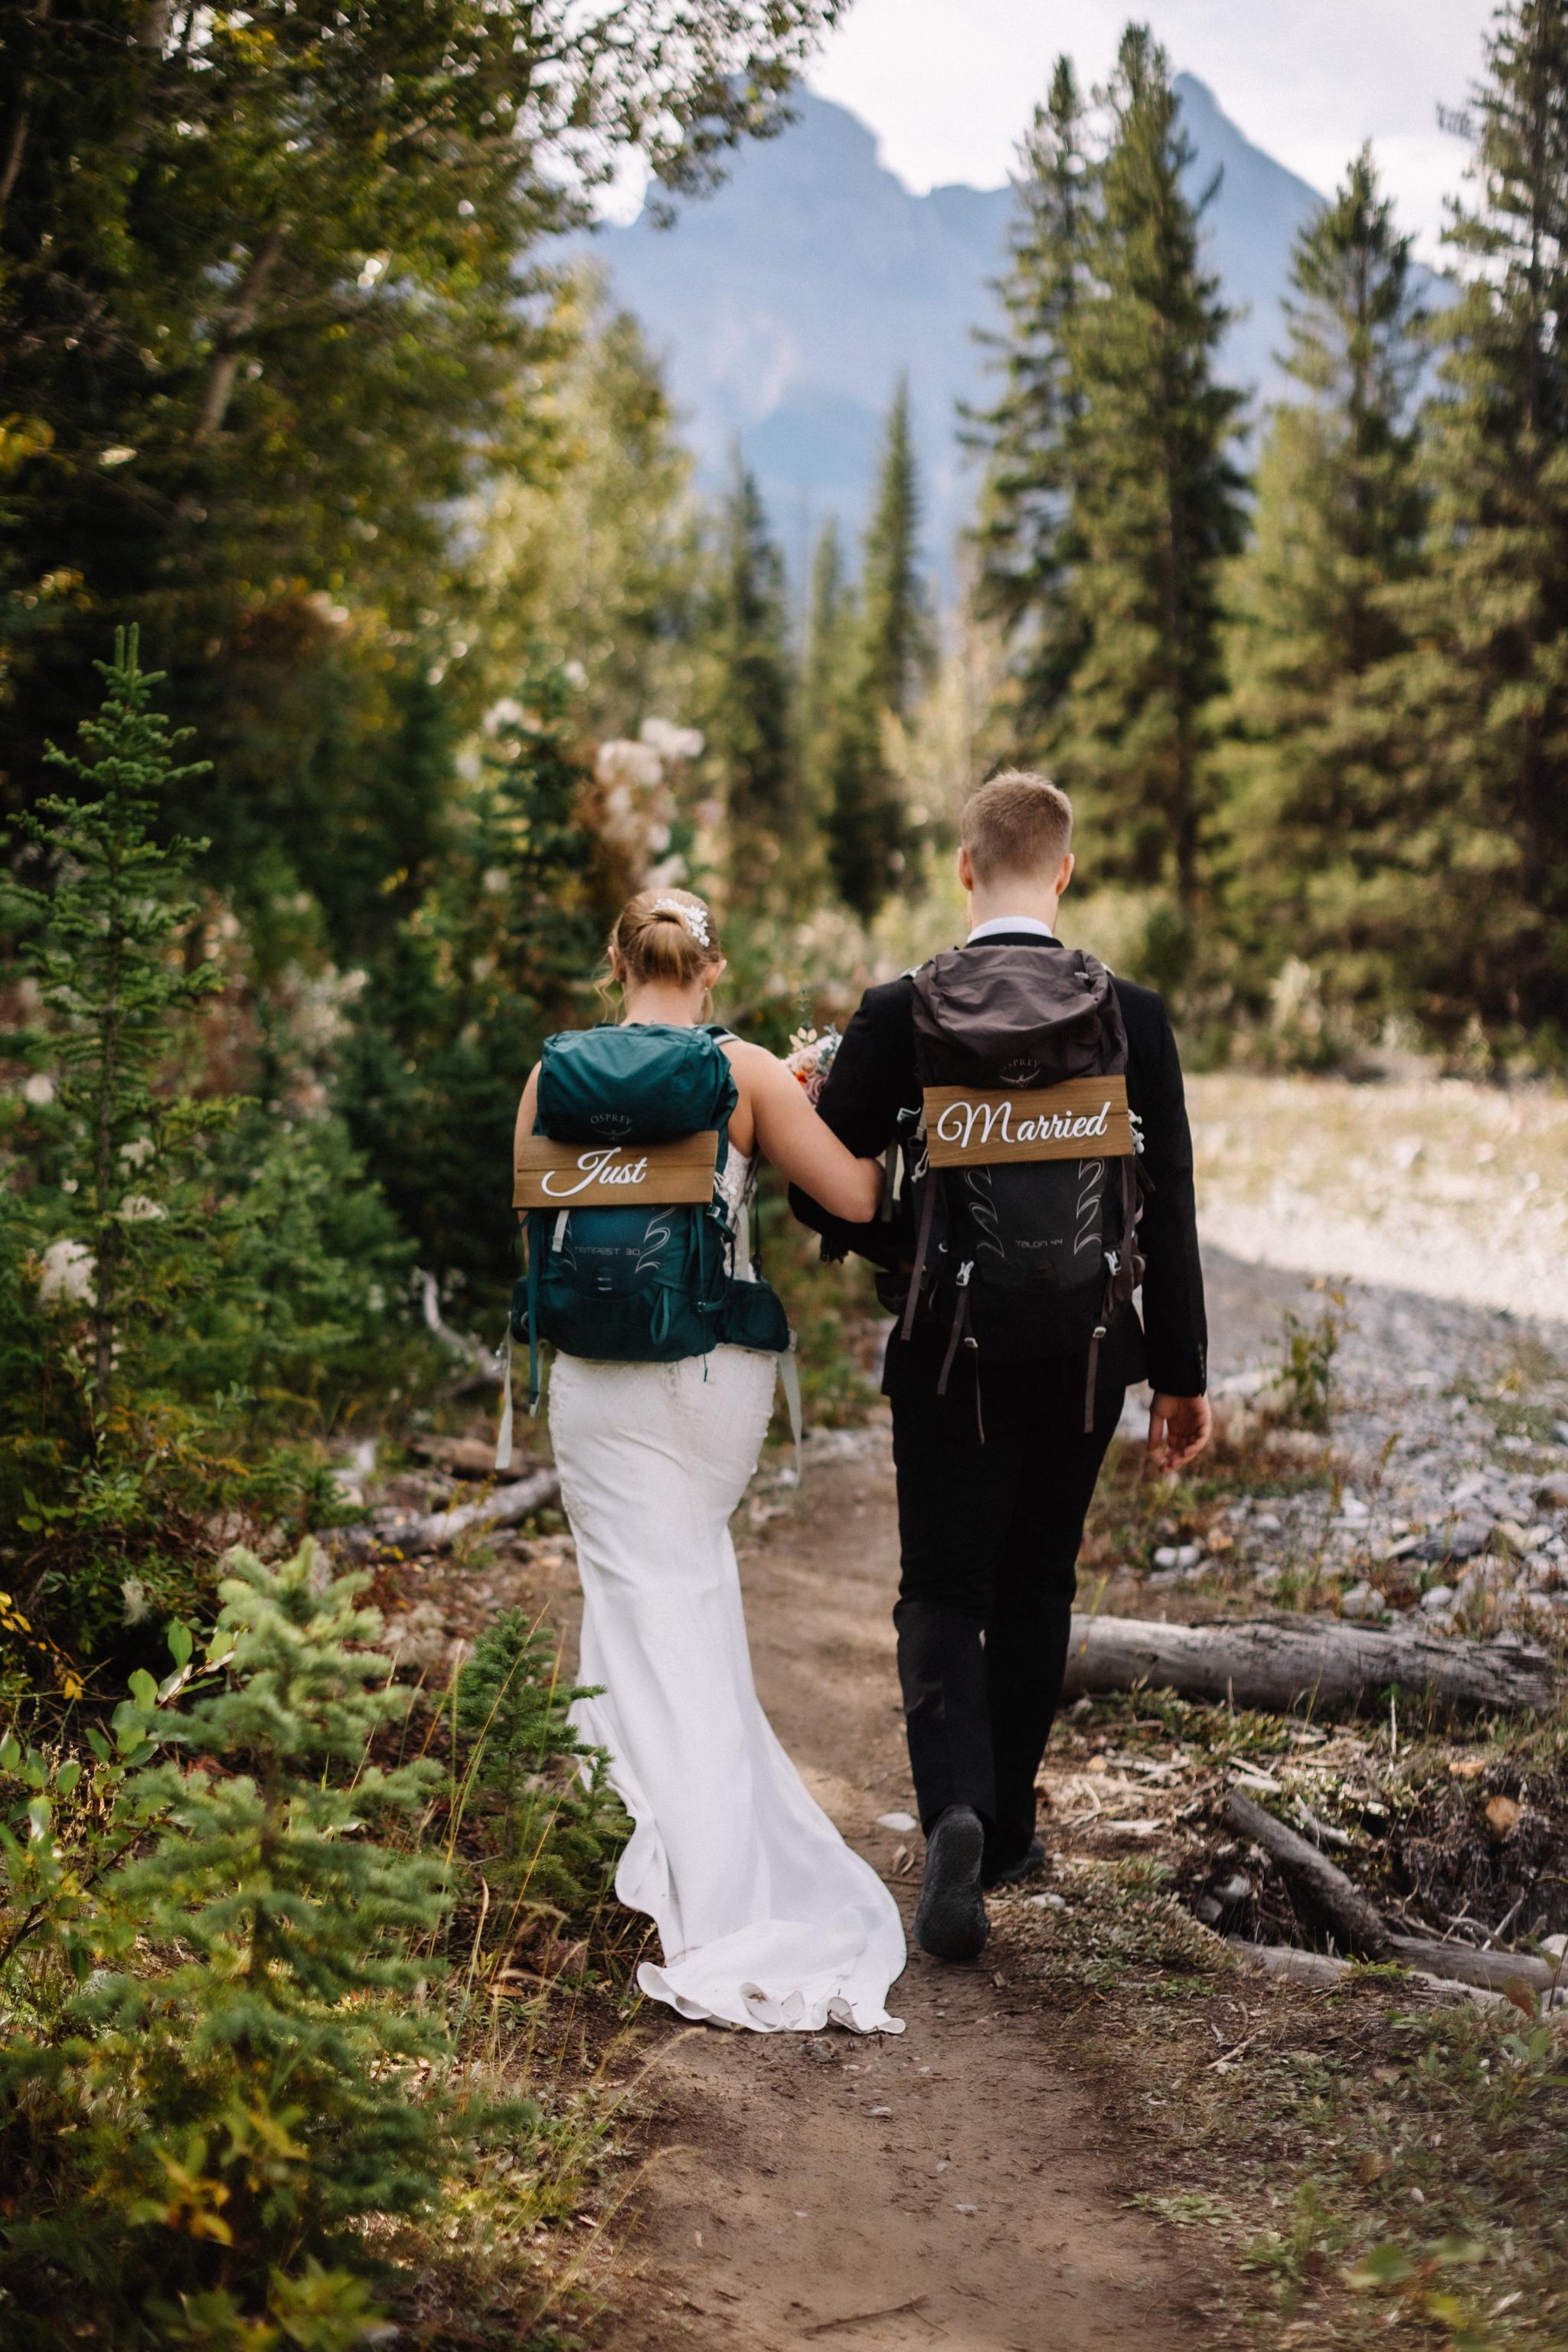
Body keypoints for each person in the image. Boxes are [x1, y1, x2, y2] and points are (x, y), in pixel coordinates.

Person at [791, 773, 1212, 1964]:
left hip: (947, 1359)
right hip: (1087, 1359)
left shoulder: (899, 1010)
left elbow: (846, 1195)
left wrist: (913, 1235)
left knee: (942, 1589)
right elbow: (1168, 1203)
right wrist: (1180, 1374)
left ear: (964, 869)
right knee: (1037, 1583)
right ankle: (1013, 1823)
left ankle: (956, 1816)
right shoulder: (1134, 1015)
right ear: (1064, 874)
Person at [514, 887, 906, 2034]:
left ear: (616, 965)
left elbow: (532, 1230)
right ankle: (686, 1846)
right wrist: (802, 1096)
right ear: (711, 966)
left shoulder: (551, 1078)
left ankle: (661, 1845)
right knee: (687, 1585)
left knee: (641, 1597)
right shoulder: (743, 1073)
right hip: (709, 1379)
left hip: (593, 1379)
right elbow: (856, 1196)